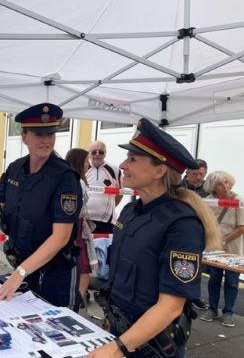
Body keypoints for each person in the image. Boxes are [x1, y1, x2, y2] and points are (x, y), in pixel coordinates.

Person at [88, 118, 220, 358]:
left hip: (150, 346)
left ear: (159, 171)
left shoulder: (182, 225)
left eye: (132, 160)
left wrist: (117, 347)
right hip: (120, 334)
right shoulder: (130, 211)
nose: (123, 166)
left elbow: (171, 307)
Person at [0, 103, 82, 309]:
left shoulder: (64, 177)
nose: (46, 140)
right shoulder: (15, 169)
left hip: (54, 274)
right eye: (39, 134)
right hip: (24, 268)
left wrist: (20, 273)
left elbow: (61, 237)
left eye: (51, 134)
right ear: (24, 136)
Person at [200, 171, 244, 328]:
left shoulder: (238, 200)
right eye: (220, 183)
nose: (225, 186)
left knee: (232, 282)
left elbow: (241, 227)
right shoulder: (210, 201)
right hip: (215, 247)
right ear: (213, 186)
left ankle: (228, 312)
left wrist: (223, 240)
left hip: (232, 247)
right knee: (214, 279)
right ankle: (212, 309)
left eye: (226, 182)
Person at [65, 148, 98, 308]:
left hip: (73, 228)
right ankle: (76, 302)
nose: (88, 165)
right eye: (86, 161)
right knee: (83, 269)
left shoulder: (68, 180)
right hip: (77, 230)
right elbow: (78, 210)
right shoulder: (79, 182)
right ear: (79, 162)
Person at [179, 159, 209, 310]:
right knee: (181, 265)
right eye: (195, 174)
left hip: (199, 232)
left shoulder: (207, 191)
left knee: (197, 265)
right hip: (180, 233)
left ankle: (193, 295)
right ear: (187, 173)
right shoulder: (178, 188)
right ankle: (179, 296)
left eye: (202, 174)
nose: (198, 177)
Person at [86, 141, 122, 234]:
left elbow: (120, 192)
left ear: (105, 154)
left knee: (104, 247)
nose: (97, 155)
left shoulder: (115, 170)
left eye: (101, 152)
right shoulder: (83, 168)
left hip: (107, 220)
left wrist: (111, 206)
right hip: (85, 219)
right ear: (89, 154)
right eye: (94, 152)